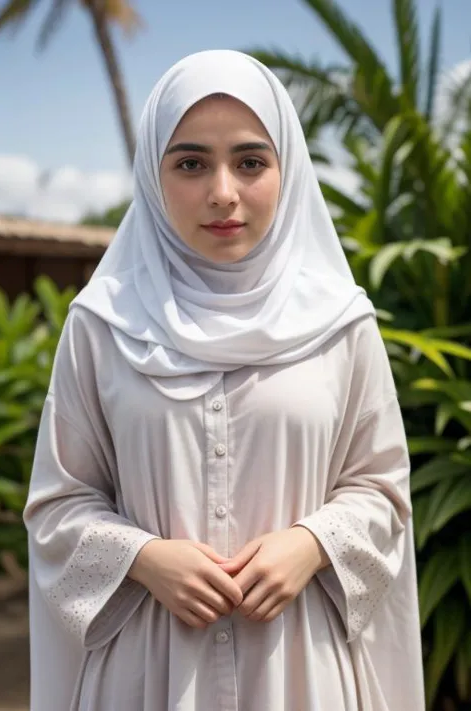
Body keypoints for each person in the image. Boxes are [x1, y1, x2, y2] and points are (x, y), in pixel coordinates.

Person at [24, 49, 425, 711]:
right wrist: (144, 558)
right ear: (154, 176)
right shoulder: (102, 324)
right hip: (149, 674)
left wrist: (313, 543)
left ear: (285, 168)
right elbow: (57, 505)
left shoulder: (339, 323)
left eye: (249, 161)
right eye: (189, 163)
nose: (222, 193)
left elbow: (383, 490)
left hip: (301, 670)